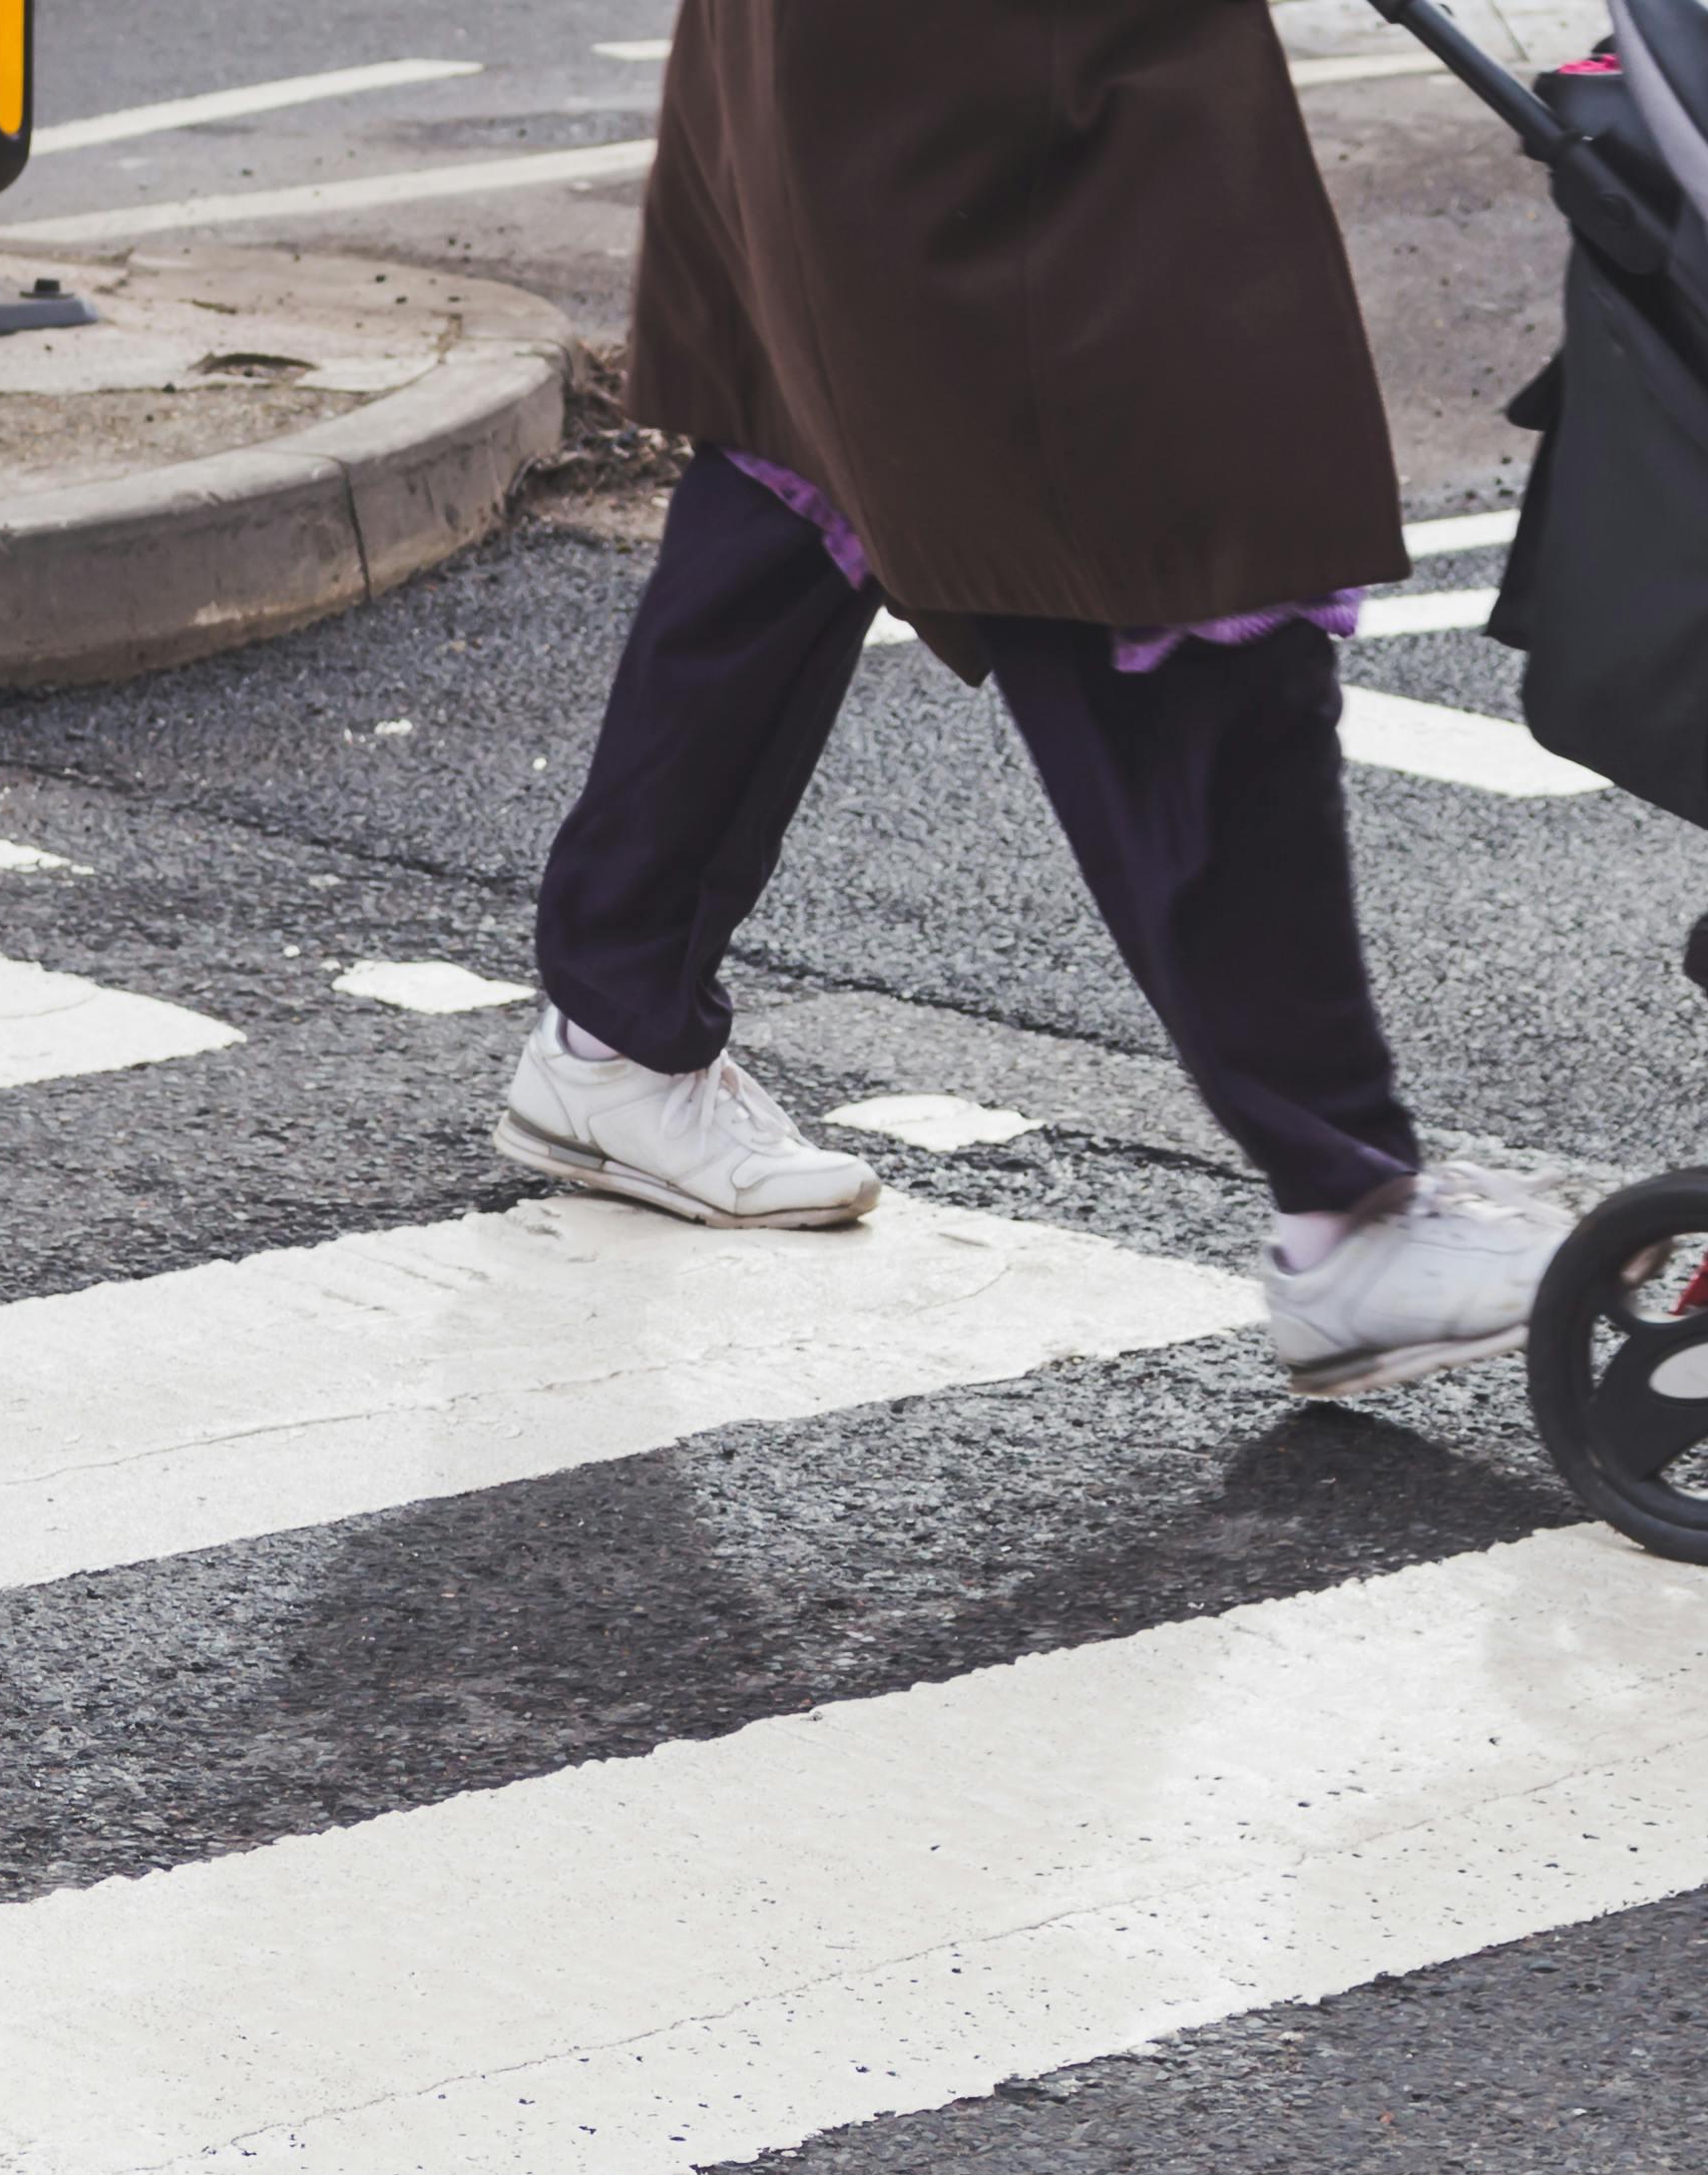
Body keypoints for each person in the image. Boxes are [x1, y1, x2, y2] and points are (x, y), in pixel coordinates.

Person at [498, 0, 1581, 1398]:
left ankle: (617, 1024)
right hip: (1011, 68)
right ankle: (1348, 1212)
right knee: (1163, 501)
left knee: (815, 426)